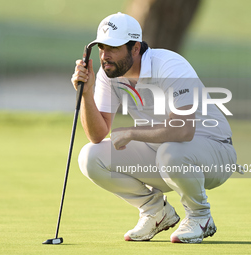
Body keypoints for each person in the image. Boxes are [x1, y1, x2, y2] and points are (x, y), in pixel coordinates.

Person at [71, 12, 237, 243]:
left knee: (171, 152)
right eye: (101, 47)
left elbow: (183, 130)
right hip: (164, 152)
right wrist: (86, 93)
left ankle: (201, 216)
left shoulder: (169, 65)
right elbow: (97, 135)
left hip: (215, 152)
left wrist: (131, 132)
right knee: (91, 156)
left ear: (135, 48)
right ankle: (156, 211)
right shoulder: (108, 74)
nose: (105, 56)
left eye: (113, 48)